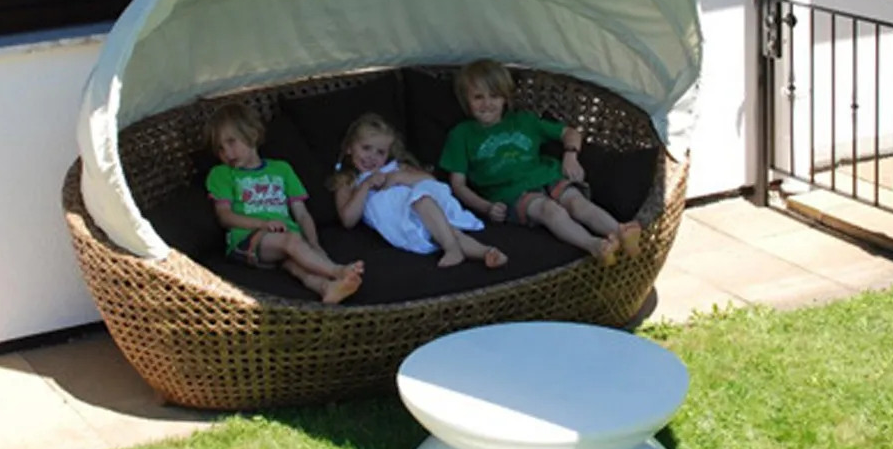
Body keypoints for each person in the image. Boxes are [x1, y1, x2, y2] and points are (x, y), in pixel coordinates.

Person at [440, 59, 642, 261]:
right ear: (466, 100)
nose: (487, 104)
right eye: (478, 97)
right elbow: (458, 185)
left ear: (505, 98)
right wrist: (486, 207)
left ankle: (621, 232)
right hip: (511, 193)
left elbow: (570, 133)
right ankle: (595, 245)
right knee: (550, 210)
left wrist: (570, 156)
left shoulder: (524, 120)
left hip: (547, 176)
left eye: (494, 96)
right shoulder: (461, 134)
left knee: (577, 203)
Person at [203, 102, 364, 304]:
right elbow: (225, 216)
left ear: (252, 134)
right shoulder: (222, 174)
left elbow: (302, 214)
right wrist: (263, 224)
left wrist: (314, 244)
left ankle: (326, 288)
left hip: (282, 240)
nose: (227, 153)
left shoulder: (281, 169)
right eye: (220, 148)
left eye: (231, 142)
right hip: (246, 240)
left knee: (296, 264)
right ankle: (337, 271)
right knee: (291, 241)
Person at [331, 113, 508, 269]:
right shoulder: (347, 181)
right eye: (366, 148)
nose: (372, 157)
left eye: (380, 152)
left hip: (421, 207)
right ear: (349, 147)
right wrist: (366, 185)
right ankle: (454, 248)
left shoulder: (394, 168)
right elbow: (348, 220)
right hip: (400, 220)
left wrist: (399, 177)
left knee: (432, 210)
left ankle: (485, 252)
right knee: (446, 232)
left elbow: (429, 180)